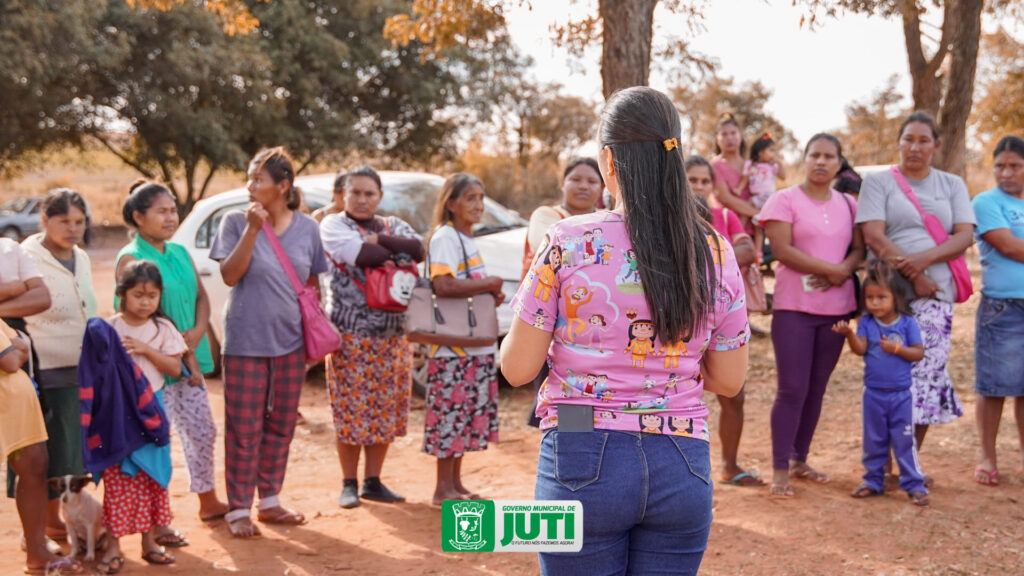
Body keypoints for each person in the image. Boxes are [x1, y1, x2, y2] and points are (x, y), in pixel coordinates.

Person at [501, 87, 749, 575]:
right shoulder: (715, 251)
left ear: (608, 162)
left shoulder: (568, 240)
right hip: (682, 462)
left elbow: (517, 369)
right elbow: (728, 381)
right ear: (673, 156)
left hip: (578, 447)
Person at [210, 147, 329, 537]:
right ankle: (239, 508)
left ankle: (271, 500)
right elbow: (229, 275)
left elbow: (312, 283)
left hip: (291, 343)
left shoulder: (308, 229)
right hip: (245, 341)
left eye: (258, 179)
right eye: (249, 178)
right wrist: (252, 229)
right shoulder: (234, 222)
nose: (249, 186)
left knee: (281, 425)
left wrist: (313, 332)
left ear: (282, 186)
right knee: (244, 428)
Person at [856, 112, 975, 473]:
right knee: (889, 376)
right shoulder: (878, 182)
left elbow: (964, 236)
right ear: (899, 142)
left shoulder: (952, 184)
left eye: (924, 140)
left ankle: (908, 462)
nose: (915, 147)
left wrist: (921, 264)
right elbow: (874, 235)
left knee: (925, 377)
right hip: (889, 297)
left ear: (936, 146)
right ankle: (882, 463)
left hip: (936, 294)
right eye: (909, 139)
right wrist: (911, 274)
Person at [116, 180, 229, 523]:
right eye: (161, 211)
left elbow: (201, 297)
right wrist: (176, 344)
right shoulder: (130, 257)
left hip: (188, 358)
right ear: (138, 216)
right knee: (156, 439)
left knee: (202, 430)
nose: (170, 217)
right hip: (151, 365)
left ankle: (207, 500)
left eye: (172, 210)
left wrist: (196, 333)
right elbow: (134, 311)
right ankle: (157, 520)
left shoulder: (179, 252)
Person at [759, 133, 864, 498]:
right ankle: (779, 469)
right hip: (793, 310)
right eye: (814, 154)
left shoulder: (849, 205)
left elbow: (858, 249)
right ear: (804, 158)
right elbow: (782, 251)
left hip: (837, 311)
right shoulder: (783, 200)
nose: (821, 162)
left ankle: (800, 458)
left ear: (839, 163)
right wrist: (829, 269)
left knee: (817, 390)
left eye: (829, 156)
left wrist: (843, 271)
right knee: (792, 389)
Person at [319, 165, 424, 508]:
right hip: (350, 336)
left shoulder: (391, 225)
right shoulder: (334, 224)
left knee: (385, 410)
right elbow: (363, 256)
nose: (362, 199)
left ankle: (373, 481)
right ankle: (348, 482)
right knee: (350, 411)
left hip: (394, 336)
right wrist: (387, 249)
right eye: (356, 193)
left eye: (370, 193)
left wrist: (379, 240)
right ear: (342, 195)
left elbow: (419, 249)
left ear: (380, 196)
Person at [90, 261, 187, 573]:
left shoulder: (162, 329)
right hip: (117, 415)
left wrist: (145, 349)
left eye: (152, 296)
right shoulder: (110, 328)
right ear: (122, 295)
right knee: (118, 479)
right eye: (138, 295)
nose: (145, 302)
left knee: (151, 478)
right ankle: (114, 546)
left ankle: (150, 542)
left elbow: (174, 369)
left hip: (152, 413)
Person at [423, 173, 504, 506]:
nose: (478, 205)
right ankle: (443, 488)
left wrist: (488, 291)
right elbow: (444, 285)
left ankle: (455, 484)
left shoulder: (466, 239)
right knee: (450, 417)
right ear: (451, 203)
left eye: (481, 198)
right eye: (470, 198)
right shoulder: (445, 237)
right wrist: (489, 283)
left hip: (471, 345)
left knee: (464, 416)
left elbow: (463, 285)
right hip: (452, 347)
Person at [21, 188, 97, 540]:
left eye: (79, 222)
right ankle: (49, 527)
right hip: (44, 371)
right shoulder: (26, 257)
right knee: (50, 452)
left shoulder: (80, 256)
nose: (73, 228)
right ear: (45, 220)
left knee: (74, 450)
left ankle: (67, 527)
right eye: (64, 221)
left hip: (83, 369)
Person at [684, 155, 764, 487]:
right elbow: (736, 255)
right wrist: (721, 255)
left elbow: (748, 253)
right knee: (683, 395)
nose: (699, 187)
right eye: (692, 180)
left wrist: (702, 256)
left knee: (734, 393)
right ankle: (688, 471)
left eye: (705, 181)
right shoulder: (671, 217)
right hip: (684, 324)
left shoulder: (727, 215)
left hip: (722, 323)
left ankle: (729, 465)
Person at [832, 260, 929, 506]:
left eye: (881, 297)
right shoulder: (866, 323)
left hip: (901, 395)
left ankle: (913, 483)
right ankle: (873, 481)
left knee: (904, 440)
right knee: (873, 440)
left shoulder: (907, 323)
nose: (875, 303)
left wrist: (897, 349)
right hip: (873, 394)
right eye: (870, 297)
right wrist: (850, 335)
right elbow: (861, 349)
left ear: (896, 297)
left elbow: (918, 353)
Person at [523, 158, 604, 427]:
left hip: (594, 331)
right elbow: (546, 247)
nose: (584, 186)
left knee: (594, 404)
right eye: (576, 179)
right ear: (562, 183)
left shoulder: (607, 221)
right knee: (565, 409)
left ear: (603, 187)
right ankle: (565, 459)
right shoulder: (547, 216)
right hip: (551, 329)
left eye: (592, 181)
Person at [1, 320, 82, 575]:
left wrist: (18, 348)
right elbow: (12, 360)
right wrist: (17, 348)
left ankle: (38, 553)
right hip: (6, 406)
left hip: (17, 409)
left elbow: (20, 347)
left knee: (35, 466)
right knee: (33, 467)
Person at [970, 135, 1024, 487]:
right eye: (1000, 166)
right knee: (993, 386)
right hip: (1003, 308)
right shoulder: (986, 202)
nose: (1006, 173)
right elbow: (1009, 247)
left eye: (1015, 166)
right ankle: (988, 456)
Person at [738, 134, 785, 259]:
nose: (773, 154)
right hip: (756, 196)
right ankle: (739, 232)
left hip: (768, 197)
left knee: (760, 227)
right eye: (771, 151)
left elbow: (783, 176)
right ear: (760, 152)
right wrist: (739, 189)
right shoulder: (751, 164)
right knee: (749, 216)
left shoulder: (772, 165)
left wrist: (778, 162)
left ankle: (758, 253)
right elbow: (745, 179)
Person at [711, 113, 759, 234]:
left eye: (733, 133)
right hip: (728, 231)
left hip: (756, 230)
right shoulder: (714, 165)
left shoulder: (751, 164)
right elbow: (726, 199)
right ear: (717, 139)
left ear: (740, 136)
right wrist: (760, 214)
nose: (729, 138)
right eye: (724, 134)